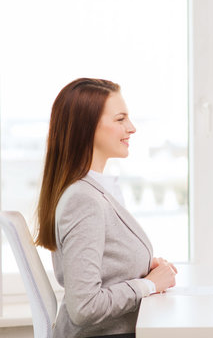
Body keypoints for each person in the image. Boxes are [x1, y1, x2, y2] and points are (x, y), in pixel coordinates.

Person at [35, 78, 177, 338]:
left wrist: (142, 269)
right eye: (120, 119)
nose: (131, 128)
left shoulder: (92, 191)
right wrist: (147, 285)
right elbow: (85, 307)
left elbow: (103, 267)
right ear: (86, 127)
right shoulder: (83, 200)